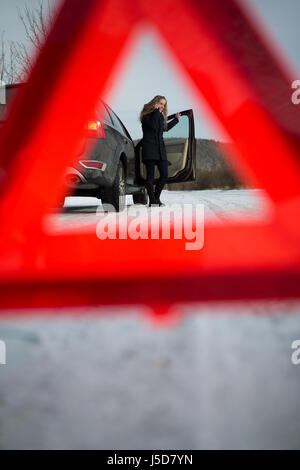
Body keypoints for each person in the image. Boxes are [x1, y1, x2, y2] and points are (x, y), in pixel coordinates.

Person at [139, 95, 181, 206]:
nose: (162, 106)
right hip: (149, 149)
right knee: (150, 177)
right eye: (160, 103)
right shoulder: (146, 115)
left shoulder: (159, 116)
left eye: (164, 104)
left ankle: (155, 198)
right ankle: (152, 201)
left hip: (160, 150)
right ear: (155, 102)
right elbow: (153, 126)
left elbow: (164, 128)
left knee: (164, 175)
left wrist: (176, 120)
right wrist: (156, 111)